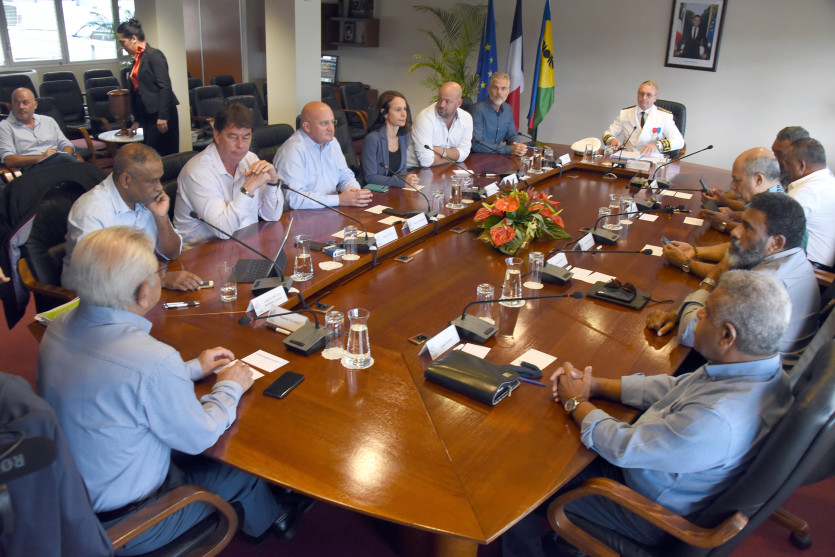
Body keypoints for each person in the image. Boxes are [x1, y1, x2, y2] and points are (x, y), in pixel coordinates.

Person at [39, 226, 311, 555]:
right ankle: (273, 521)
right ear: (143, 292)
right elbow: (201, 436)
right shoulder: (151, 360)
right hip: (131, 522)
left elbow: (119, 381)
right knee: (238, 470)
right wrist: (229, 386)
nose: (161, 275)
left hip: (72, 497)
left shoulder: (58, 328)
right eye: (158, 271)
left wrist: (192, 368)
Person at [502, 270, 793, 556]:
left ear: (727, 335)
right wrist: (595, 386)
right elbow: (674, 388)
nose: (698, 314)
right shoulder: (755, 371)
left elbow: (624, 447)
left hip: (645, 508)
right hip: (653, 467)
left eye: (707, 312)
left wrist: (575, 402)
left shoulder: (718, 418)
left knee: (517, 483)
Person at [648, 193, 819, 368]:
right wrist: (679, 311)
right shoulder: (792, 258)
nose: (735, 232)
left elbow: (690, 333)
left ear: (776, 242)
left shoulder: (763, 286)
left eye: (747, 227)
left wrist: (715, 274)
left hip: (745, 377)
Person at [63, 143, 201, 291]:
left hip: (140, 287)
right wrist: (159, 280)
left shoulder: (145, 200)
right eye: (153, 181)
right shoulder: (91, 212)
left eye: (159, 179)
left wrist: (161, 217)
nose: (159, 187)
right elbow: (96, 278)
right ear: (126, 180)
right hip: (97, 296)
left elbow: (172, 254)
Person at [174, 102, 284, 247]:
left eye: (246, 137)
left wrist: (273, 183)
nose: (241, 145)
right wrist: (248, 188)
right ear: (217, 135)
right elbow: (223, 231)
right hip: (202, 252)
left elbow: (272, 216)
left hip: (244, 245)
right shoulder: (198, 172)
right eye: (233, 137)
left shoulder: (250, 159)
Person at [672, 147, 785, 272]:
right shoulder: (774, 198)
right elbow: (739, 246)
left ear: (758, 179)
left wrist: (685, 262)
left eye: (737, 180)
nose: (732, 186)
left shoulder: (771, 212)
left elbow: (734, 273)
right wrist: (694, 251)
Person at [274, 101, 372, 209]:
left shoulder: (332, 143)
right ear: (307, 126)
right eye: (324, 123)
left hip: (332, 208)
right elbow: (295, 198)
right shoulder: (292, 151)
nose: (331, 128)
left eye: (332, 122)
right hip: (302, 214)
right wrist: (340, 199)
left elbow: (345, 176)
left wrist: (354, 192)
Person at [117, 18, 180, 156]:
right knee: (150, 154)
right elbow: (138, 92)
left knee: (162, 155)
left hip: (161, 115)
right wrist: (137, 120)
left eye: (123, 42)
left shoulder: (154, 55)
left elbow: (165, 86)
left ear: (134, 38)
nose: (122, 46)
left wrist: (163, 116)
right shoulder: (137, 59)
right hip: (147, 115)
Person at [784, 137, 835, 270]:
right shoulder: (830, 182)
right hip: (822, 267)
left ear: (801, 166)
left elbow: (773, 232)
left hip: (809, 268)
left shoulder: (806, 192)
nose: (784, 169)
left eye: (787, 163)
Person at [0, 87, 77, 171]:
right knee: (73, 166)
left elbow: (66, 144)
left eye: (25, 103)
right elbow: (9, 160)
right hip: (30, 168)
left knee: (73, 165)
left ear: (35, 105)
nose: (21, 107)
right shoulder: (5, 126)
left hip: (56, 162)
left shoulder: (48, 121)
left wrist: (64, 154)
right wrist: (41, 157)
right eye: (16, 103)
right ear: (12, 105)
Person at [602, 81, 684, 157]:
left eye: (648, 95)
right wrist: (612, 140)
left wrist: (657, 144)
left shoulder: (664, 116)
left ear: (655, 98)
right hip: (629, 158)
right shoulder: (625, 113)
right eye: (641, 94)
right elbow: (607, 133)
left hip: (652, 159)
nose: (644, 97)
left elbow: (679, 141)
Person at [360, 90, 420, 188]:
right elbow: (370, 177)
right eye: (398, 110)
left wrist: (408, 179)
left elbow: (403, 169)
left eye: (405, 109)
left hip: (394, 189)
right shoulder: (372, 139)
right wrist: (401, 182)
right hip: (376, 191)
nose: (404, 114)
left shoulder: (404, 136)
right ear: (385, 113)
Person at [407, 81, 473, 168]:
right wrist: (453, 157)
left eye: (447, 101)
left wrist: (440, 151)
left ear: (458, 103)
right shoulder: (425, 118)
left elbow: (464, 154)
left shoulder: (466, 118)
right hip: (415, 169)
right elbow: (426, 161)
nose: (441, 105)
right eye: (440, 99)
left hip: (442, 167)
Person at [469, 73, 527, 156]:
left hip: (496, 157)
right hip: (475, 158)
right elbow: (476, 145)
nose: (499, 92)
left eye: (503, 88)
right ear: (489, 89)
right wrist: (509, 149)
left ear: (508, 91)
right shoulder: (477, 110)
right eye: (495, 88)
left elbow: (512, 135)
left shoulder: (508, 109)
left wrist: (517, 146)